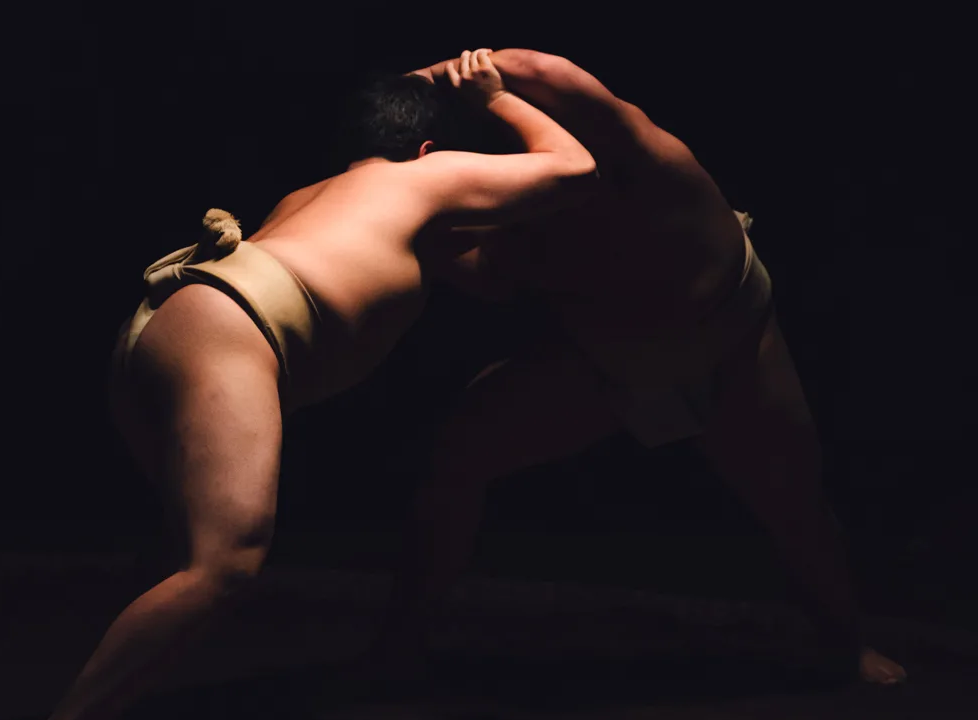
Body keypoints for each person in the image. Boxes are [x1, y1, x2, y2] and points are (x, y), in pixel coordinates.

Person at [15, 51, 598, 720]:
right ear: (429, 150)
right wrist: (492, 97)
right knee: (226, 561)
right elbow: (573, 166)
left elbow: (489, 281)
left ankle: (115, 710)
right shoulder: (421, 178)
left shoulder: (316, 196)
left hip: (167, 325)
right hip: (229, 332)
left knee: (179, 551)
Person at [374, 49, 907, 687]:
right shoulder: (486, 210)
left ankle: (846, 646)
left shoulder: (618, 144)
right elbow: (491, 281)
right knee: (458, 453)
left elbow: (536, 72)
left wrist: (439, 81)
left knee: (796, 504)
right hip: (607, 358)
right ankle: (399, 647)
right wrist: (395, 149)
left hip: (730, 335)